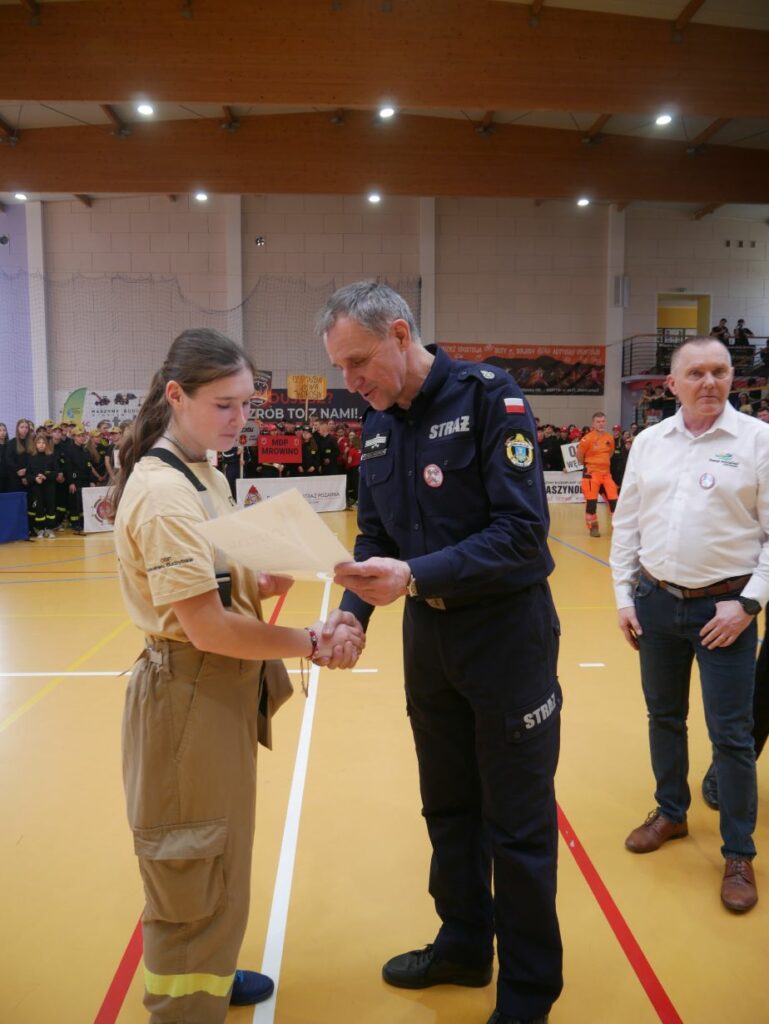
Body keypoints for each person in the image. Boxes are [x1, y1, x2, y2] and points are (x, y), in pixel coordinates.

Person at [320, 282, 562, 1024]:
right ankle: (463, 943)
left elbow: (522, 535)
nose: (350, 382)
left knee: (516, 824)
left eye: (358, 362)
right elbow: (376, 536)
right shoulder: (377, 424)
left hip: (506, 639)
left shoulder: (490, 398)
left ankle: (527, 992)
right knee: (449, 808)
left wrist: (415, 575)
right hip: (429, 640)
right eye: (340, 368)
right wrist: (353, 613)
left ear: (400, 334)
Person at [111, 327, 365, 1023]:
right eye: (225, 405)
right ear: (175, 396)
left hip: (218, 688)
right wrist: (311, 641)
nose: (240, 419)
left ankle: (211, 977)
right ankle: (183, 1008)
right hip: (187, 689)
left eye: (247, 404)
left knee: (219, 850)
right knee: (189, 860)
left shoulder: (208, 475)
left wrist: (268, 572)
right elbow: (208, 627)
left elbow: (221, 578)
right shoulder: (163, 494)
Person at [610, 336, 769, 914]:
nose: (710, 382)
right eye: (696, 372)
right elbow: (627, 524)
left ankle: (739, 852)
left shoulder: (758, 441)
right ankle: (672, 813)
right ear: (671, 384)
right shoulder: (650, 443)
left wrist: (747, 605)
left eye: (720, 371)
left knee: (732, 735)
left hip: (725, 613)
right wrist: (624, 596)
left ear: (733, 379)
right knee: (664, 717)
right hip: (655, 603)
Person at [576, 412, 618, 537]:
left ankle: (617, 527)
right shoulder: (587, 439)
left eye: (603, 421)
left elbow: (610, 453)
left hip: (606, 475)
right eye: (598, 422)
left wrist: (602, 463)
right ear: (593, 423)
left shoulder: (609, 438)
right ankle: (593, 527)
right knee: (591, 503)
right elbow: (579, 456)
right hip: (591, 475)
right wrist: (590, 464)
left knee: (614, 501)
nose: (601, 424)